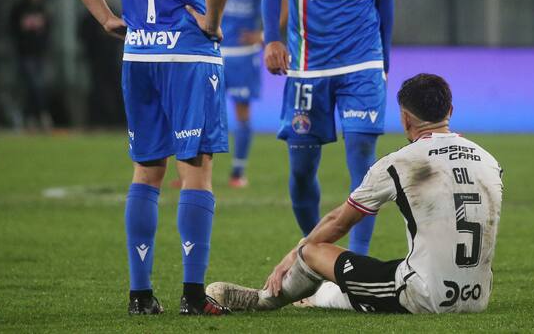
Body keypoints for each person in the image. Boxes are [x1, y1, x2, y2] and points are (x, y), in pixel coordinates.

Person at [60, 0, 247, 316]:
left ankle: (140, 296)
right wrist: (210, 21)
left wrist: (105, 17)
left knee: (146, 172)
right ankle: (191, 295)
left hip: (139, 53)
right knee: (197, 173)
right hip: (187, 54)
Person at [206, 73, 504, 314]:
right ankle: (320, 295)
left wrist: (291, 256)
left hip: (424, 295)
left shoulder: (401, 162)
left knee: (312, 252)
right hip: (478, 298)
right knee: (375, 278)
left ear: (405, 118)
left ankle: (264, 299)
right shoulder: (490, 161)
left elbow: (339, 221)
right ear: (450, 111)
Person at [261, 0, 402, 256]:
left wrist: (384, 61)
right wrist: (271, 39)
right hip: (307, 65)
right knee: (302, 171)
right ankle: (315, 252)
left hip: (362, 63)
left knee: (364, 164)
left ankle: (354, 265)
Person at [221, 0, 265, 187]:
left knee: (242, 112)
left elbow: (282, 2)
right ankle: (188, 173)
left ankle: (238, 172)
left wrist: (263, 36)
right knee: (199, 113)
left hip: (242, 53)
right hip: (212, 51)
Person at [9, 0, 53, 131]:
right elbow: (12, 29)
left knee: (37, 86)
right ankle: (37, 115)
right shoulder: (20, 9)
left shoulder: (42, 9)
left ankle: (33, 116)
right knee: (32, 85)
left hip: (39, 53)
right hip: (25, 53)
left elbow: (48, 30)